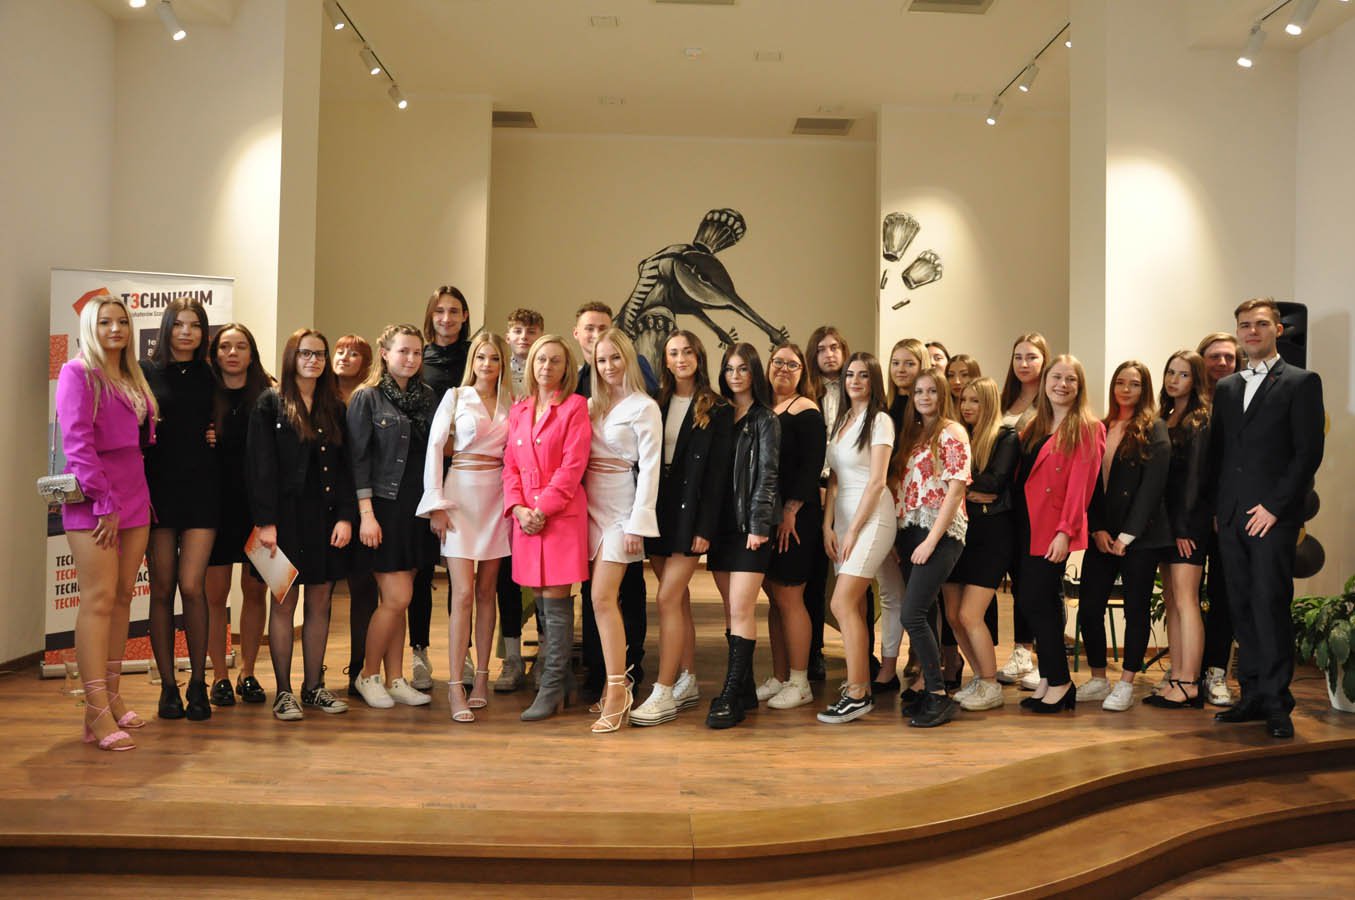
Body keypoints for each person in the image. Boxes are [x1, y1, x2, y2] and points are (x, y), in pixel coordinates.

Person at [1209, 298, 1325, 739]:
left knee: (1269, 605)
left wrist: (1275, 507)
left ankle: (1278, 703)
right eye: (1245, 325)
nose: (1252, 331)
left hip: (1273, 518)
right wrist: (1220, 509)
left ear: (1278, 329)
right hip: (1232, 516)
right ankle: (1252, 695)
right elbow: (1221, 454)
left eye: (1260, 324)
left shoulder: (1301, 381)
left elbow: (1307, 453)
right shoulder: (1227, 387)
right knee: (1240, 605)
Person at [56, 297, 158, 751]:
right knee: (98, 600)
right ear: (89, 327)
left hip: (135, 494)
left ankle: (113, 698)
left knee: (122, 597)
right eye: (104, 322)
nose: (115, 328)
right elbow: (77, 443)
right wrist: (104, 501)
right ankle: (95, 710)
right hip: (96, 499)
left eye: (122, 321)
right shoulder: (77, 372)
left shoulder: (132, 374)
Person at [247, 329, 355, 721]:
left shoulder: (333, 406)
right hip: (282, 521)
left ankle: (313, 688)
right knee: (284, 603)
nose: (313, 360)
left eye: (320, 354)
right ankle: (284, 692)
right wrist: (265, 522)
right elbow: (259, 466)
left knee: (320, 602)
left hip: (325, 518)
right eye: (306, 353)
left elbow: (346, 467)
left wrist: (346, 516)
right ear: (292, 356)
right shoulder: (270, 403)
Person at [630, 330, 733, 726]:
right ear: (666, 361)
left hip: (693, 512)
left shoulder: (716, 407)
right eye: (673, 353)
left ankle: (663, 690)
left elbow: (718, 475)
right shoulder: (655, 402)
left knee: (666, 598)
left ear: (698, 357)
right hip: (659, 508)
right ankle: (687, 679)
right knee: (678, 600)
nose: (680, 358)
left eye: (687, 351)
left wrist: (705, 527)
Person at [418, 332, 514, 723]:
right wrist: (435, 504)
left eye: (494, 358)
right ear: (472, 361)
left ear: (502, 363)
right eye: (481, 357)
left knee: (488, 592)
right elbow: (433, 447)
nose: (487, 365)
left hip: (497, 498)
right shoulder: (455, 397)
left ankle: (483, 679)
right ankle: (455, 683)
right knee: (462, 594)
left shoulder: (512, 402)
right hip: (459, 495)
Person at [348, 324, 437, 710]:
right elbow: (357, 459)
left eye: (417, 352)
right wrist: (366, 514)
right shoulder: (366, 397)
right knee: (397, 597)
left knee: (400, 599)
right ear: (385, 354)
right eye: (403, 351)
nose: (411, 359)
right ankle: (367, 675)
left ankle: (395, 678)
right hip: (383, 508)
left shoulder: (427, 397)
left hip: (417, 509)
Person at [503, 334, 592, 721]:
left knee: (556, 602)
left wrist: (540, 509)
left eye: (555, 360)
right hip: (527, 518)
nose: (546, 366)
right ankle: (566, 683)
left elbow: (573, 467)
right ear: (531, 364)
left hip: (560, 516)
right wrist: (519, 509)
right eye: (541, 359)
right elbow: (509, 466)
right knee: (539, 597)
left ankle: (552, 685)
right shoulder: (519, 409)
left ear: (566, 367)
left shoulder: (575, 407)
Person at [1074, 361, 1171, 712]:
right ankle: (1099, 678)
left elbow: (1152, 487)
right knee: (1089, 608)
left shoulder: (1154, 428)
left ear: (1145, 389)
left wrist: (1127, 536)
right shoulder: (1100, 427)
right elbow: (1090, 485)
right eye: (1120, 382)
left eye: (1134, 383)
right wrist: (1097, 528)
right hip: (1102, 535)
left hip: (1140, 538)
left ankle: (1127, 683)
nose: (1126, 389)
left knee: (1135, 610)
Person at [141, 298, 219, 721]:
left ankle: (198, 684)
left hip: (202, 488)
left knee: (192, 586)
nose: (186, 332)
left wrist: (219, 434)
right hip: (157, 488)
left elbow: (234, 417)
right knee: (161, 589)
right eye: (179, 324)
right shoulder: (144, 372)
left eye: (195, 325)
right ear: (166, 328)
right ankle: (168, 687)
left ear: (204, 332)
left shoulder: (213, 374)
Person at [573, 302, 656, 702]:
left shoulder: (645, 406)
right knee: (597, 601)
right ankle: (609, 684)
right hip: (587, 508)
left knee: (602, 598)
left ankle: (620, 686)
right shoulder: (590, 405)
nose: (608, 366)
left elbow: (651, 470)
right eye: (602, 360)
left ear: (629, 358)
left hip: (622, 509)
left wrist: (639, 524)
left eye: (615, 358)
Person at [1015, 354, 1105, 714]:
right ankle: (1051, 678)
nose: (1062, 385)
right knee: (1038, 602)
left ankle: (1061, 682)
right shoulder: (1035, 425)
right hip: (1026, 523)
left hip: (1053, 528)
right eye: (1056, 377)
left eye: (1071, 379)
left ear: (1079, 387)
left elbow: (1082, 487)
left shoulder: (1088, 428)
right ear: (1045, 381)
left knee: (1036, 600)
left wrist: (1065, 532)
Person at [817, 353, 895, 724]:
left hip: (873, 517)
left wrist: (852, 530)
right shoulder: (844, 419)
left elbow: (877, 482)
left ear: (873, 381)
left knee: (841, 602)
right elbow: (833, 479)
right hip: (844, 518)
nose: (855, 380)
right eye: (850, 374)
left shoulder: (880, 421)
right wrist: (828, 525)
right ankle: (857, 685)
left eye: (864, 375)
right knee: (856, 608)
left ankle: (858, 692)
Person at [706, 343, 780, 729]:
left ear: (754, 373)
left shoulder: (765, 419)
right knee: (730, 610)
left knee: (741, 609)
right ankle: (746, 689)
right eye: (729, 369)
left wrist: (758, 524)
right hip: (720, 527)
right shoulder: (717, 415)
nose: (735, 376)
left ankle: (731, 693)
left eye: (743, 369)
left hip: (750, 528)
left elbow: (767, 475)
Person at [893, 368, 971, 727]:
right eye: (919, 392)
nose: (924, 397)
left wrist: (931, 540)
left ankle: (939, 694)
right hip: (910, 531)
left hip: (940, 533)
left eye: (932, 391)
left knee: (911, 614)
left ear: (943, 395)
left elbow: (955, 490)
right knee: (924, 613)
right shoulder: (913, 434)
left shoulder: (951, 431)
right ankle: (929, 688)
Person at [204, 324, 273, 707]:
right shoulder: (204, 394)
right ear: (215, 354)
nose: (232, 353)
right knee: (215, 595)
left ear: (252, 353)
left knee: (255, 591)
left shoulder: (268, 394)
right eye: (225, 346)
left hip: (257, 509)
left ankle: (247, 672)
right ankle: (219, 677)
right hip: (213, 508)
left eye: (241, 346)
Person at [943, 377, 1019, 712]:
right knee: (952, 616)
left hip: (991, 535)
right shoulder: (958, 435)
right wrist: (966, 490)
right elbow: (946, 480)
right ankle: (979, 677)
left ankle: (991, 683)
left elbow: (994, 482)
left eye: (975, 400)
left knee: (970, 614)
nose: (967, 407)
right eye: (964, 400)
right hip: (958, 532)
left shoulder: (1005, 437)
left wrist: (958, 488)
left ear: (989, 402)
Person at [756, 343, 825, 711]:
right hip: (768, 516)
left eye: (792, 364)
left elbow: (811, 467)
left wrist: (790, 510)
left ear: (803, 372)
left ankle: (800, 681)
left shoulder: (806, 410)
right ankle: (780, 676)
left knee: (790, 597)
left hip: (794, 518)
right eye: (778, 362)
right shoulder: (765, 407)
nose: (783, 368)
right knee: (774, 597)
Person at [409, 287, 471, 690]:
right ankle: (419, 652)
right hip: (425, 474)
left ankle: (463, 655)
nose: (446, 318)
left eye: (454, 311)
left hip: (466, 477)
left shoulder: (473, 357)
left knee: (461, 574)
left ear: (465, 316)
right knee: (420, 570)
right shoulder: (420, 360)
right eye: (439, 311)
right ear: (430, 316)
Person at [1144, 350, 1212, 710]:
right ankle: (1176, 675)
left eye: (1183, 374)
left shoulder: (1200, 420)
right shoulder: (1164, 417)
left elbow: (1196, 479)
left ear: (1196, 380)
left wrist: (1185, 527)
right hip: (1166, 523)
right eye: (1170, 372)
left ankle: (1189, 682)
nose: (1174, 380)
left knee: (1186, 601)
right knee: (1171, 600)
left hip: (1188, 524)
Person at [996, 332, 1051, 689]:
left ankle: (1046, 659)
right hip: (1005, 503)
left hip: (1037, 503)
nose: (1024, 363)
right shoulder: (1006, 400)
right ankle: (1021, 652)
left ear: (1044, 360)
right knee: (1018, 579)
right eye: (1018, 357)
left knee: (1040, 582)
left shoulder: (1050, 402)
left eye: (1031, 357)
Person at [332, 335, 381, 699]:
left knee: (364, 589)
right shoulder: (319, 397)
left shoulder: (372, 398)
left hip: (363, 501)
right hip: (325, 505)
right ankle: (312, 676)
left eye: (354, 353)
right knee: (318, 594)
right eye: (340, 351)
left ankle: (360, 669)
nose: (345, 357)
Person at [879, 338, 928, 689]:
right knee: (893, 593)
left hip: (919, 512)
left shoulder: (926, 411)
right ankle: (893, 662)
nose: (901, 369)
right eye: (896, 362)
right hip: (889, 507)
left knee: (921, 596)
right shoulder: (885, 411)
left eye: (909, 363)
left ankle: (926, 663)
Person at [1195, 330, 1241, 707]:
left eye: (1229, 357)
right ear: (1201, 361)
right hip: (1189, 519)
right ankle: (1187, 670)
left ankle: (1215, 672)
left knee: (1224, 596)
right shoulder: (1185, 403)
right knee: (1185, 597)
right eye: (1215, 356)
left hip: (1228, 517)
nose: (1222, 363)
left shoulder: (1245, 402)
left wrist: (1221, 510)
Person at [802, 325, 849, 681]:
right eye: (822, 349)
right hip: (815, 487)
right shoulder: (807, 394)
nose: (829, 354)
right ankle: (813, 650)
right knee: (814, 577)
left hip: (850, 488)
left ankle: (862, 651)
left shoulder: (856, 389)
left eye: (835, 347)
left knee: (852, 575)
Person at [505, 307, 545, 399]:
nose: (524, 336)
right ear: (508, 338)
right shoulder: (499, 371)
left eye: (531, 332)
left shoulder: (549, 370)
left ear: (542, 338)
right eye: (518, 331)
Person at [333, 334, 373, 404]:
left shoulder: (373, 395)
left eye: (353, 354)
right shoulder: (321, 389)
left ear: (366, 362)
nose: (343, 358)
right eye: (340, 353)